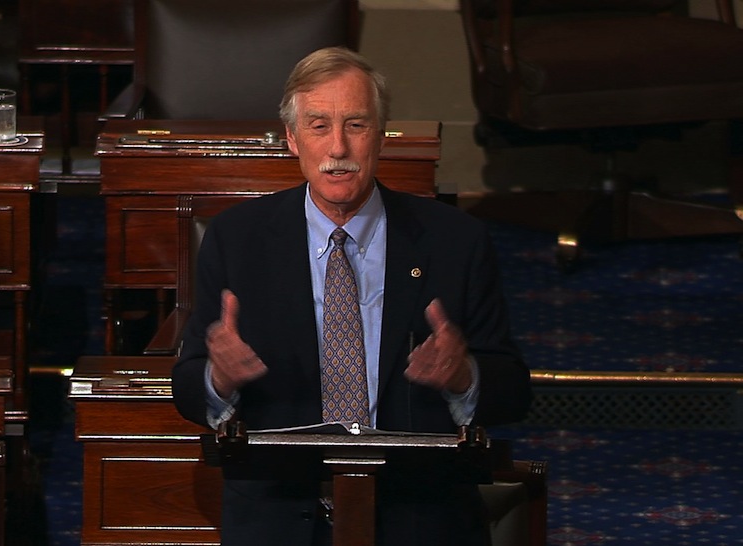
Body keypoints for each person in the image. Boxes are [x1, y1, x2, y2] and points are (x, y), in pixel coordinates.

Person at [171, 46, 532, 546]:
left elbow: (514, 389)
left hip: (419, 516)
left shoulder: (455, 240)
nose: (338, 147)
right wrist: (219, 378)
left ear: (381, 136)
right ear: (294, 140)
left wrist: (465, 375)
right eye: (319, 126)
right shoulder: (236, 240)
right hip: (278, 517)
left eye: (356, 125)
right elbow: (187, 388)